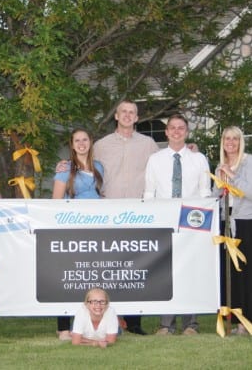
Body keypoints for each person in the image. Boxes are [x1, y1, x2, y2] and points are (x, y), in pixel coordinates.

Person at [91, 100, 159, 335]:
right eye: (124, 112)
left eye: (132, 112)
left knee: (135, 267)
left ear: (137, 117)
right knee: (112, 267)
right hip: (109, 212)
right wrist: (63, 166)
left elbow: (163, 167)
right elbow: (83, 167)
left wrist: (189, 147)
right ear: (116, 116)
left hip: (139, 212)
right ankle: (113, 319)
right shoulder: (101, 145)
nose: (128, 116)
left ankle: (135, 321)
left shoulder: (149, 145)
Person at [144, 114, 211, 335]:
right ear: (166, 132)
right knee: (166, 273)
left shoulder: (199, 159)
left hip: (191, 221)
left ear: (187, 131)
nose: (176, 132)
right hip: (164, 220)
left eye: (180, 128)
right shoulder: (155, 159)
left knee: (190, 271)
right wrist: (152, 221)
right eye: (172, 128)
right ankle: (166, 324)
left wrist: (204, 226)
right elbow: (149, 193)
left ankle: (190, 324)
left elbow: (205, 193)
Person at [213, 126, 252, 335]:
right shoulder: (220, 164)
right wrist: (219, 185)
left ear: (241, 141)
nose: (230, 142)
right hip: (227, 224)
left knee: (251, 274)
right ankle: (239, 323)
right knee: (233, 277)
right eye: (226, 138)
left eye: (235, 139)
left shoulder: (250, 161)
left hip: (250, 224)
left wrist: (232, 176)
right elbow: (216, 195)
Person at [53, 128, 104, 341]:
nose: (81, 143)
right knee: (68, 276)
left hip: (96, 228)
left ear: (90, 142)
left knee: (90, 276)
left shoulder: (99, 167)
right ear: (72, 145)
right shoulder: (65, 168)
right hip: (73, 228)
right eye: (77, 141)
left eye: (85, 139)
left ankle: (90, 324)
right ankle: (63, 327)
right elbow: (56, 200)